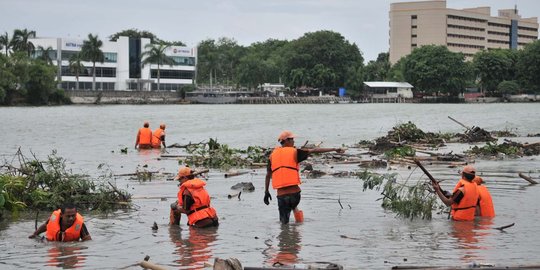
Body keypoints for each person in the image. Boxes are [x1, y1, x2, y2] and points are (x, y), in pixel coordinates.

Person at [264, 130, 345, 224]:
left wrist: (266, 191)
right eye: (292, 139)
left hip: (282, 196)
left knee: (284, 224)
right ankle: (299, 229)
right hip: (295, 195)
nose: (294, 141)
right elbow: (314, 151)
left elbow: (268, 175)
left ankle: (288, 234)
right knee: (293, 206)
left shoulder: (272, 156)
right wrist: (334, 149)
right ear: (286, 141)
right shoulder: (295, 152)